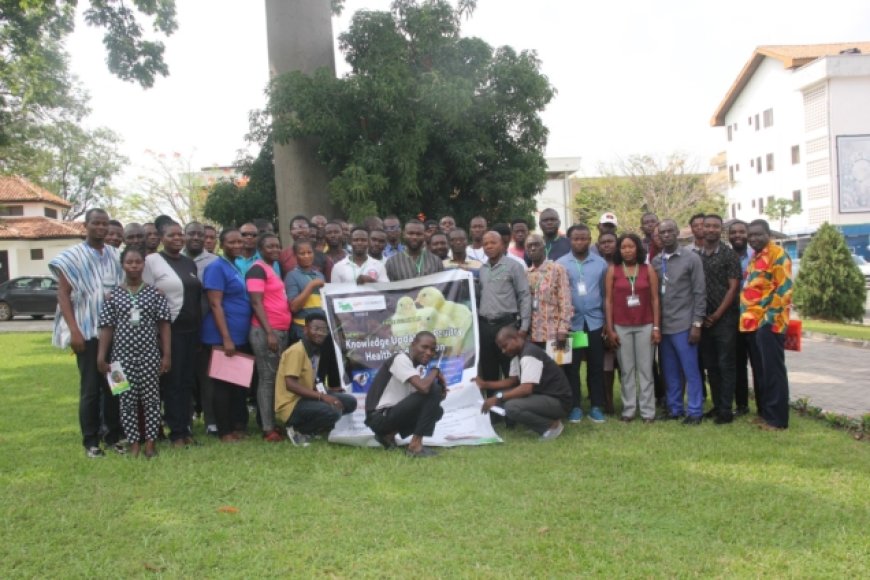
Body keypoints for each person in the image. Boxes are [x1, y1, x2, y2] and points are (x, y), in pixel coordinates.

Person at [50, 208, 125, 457]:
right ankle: (91, 441)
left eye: (105, 224)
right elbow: (63, 294)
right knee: (91, 389)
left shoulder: (116, 255)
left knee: (116, 386)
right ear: (86, 225)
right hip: (88, 332)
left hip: (114, 335)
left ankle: (114, 436)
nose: (101, 228)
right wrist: (74, 331)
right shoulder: (72, 256)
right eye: (96, 223)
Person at [97, 246, 171, 458]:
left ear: (143, 264)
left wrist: (167, 355)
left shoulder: (155, 293)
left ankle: (150, 441)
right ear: (123, 265)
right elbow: (107, 327)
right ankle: (133, 442)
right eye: (129, 262)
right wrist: (101, 356)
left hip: (149, 354)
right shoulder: (112, 296)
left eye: (138, 262)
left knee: (151, 399)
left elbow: (164, 324)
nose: (134, 266)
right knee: (125, 399)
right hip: (120, 357)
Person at [143, 221, 202, 447]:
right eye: (172, 235)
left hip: (191, 331)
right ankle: (175, 432)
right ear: (161, 238)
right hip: (169, 332)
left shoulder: (189, 263)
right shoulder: (153, 262)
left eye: (180, 235)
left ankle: (186, 429)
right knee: (173, 383)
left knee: (187, 382)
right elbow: (146, 296)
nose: (178, 238)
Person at [740, 219, 793, 431]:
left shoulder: (777, 255)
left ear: (768, 234)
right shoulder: (756, 257)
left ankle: (777, 420)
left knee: (773, 372)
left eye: (758, 234)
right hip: (752, 323)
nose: (753, 239)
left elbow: (784, 289)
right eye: (750, 235)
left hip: (769, 324)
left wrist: (768, 319)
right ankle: (766, 414)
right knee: (761, 372)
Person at [651, 219, 706, 424]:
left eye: (669, 231)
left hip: (685, 325)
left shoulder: (691, 259)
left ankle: (694, 410)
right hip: (664, 326)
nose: (665, 235)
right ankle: (675, 408)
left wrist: (697, 324)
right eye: (662, 232)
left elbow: (700, 293)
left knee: (690, 371)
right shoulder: (656, 261)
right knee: (670, 371)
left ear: (677, 233)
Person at [274, 312, 357, 447]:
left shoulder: (314, 351)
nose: (320, 333)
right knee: (333, 410)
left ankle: (315, 428)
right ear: (305, 330)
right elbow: (290, 384)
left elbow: (310, 382)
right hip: (291, 405)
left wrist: (328, 391)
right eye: (316, 329)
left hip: (305, 398)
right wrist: (323, 397)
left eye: (324, 330)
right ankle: (298, 430)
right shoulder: (296, 351)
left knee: (349, 402)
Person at [475, 326, 571, 440]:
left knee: (511, 407)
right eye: (501, 348)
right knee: (500, 394)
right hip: (543, 396)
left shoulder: (529, 354)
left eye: (505, 346)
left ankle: (551, 426)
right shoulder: (517, 355)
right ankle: (538, 423)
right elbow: (512, 381)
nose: (503, 351)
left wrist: (498, 398)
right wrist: (485, 385)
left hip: (558, 401)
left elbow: (526, 389)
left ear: (516, 338)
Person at [202, 229, 252, 442]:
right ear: (222, 245)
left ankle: (236, 425)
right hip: (221, 335)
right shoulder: (215, 267)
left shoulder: (236, 266)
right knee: (222, 384)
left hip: (239, 333)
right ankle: (224, 430)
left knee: (237, 383)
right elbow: (215, 303)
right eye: (231, 242)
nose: (237, 245)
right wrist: (226, 338)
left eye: (239, 241)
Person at [605, 233, 660, 423]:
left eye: (631, 246)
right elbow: (608, 301)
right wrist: (610, 329)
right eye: (623, 247)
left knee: (646, 369)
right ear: (619, 250)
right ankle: (628, 410)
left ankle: (647, 412)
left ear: (637, 248)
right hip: (621, 326)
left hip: (645, 325)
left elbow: (655, 299)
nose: (627, 250)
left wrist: (656, 327)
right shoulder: (614, 270)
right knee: (627, 370)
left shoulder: (648, 269)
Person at [364, 331, 446, 457]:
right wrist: (435, 371)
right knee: (431, 388)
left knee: (437, 410)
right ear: (413, 344)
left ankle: (388, 435)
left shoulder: (413, 369)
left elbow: (433, 400)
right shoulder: (400, 359)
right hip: (378, 418)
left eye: (432, 350)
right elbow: (424, 389)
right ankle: (415, 446)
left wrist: (442, 385)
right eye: (424, 347)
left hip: (387, 417)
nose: (429, 352)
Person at [556, 224, 608, 423]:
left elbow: (605, 295)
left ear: (589, 239)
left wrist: (606, 321)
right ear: (570, 240)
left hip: (594, 323)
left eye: (584, 238)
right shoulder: (560, 264)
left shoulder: (601, 263)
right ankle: (575, 406)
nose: (580, 242)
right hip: (571, 325)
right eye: (576, 238)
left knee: (596, 366)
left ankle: (596, 406)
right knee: (571, 367)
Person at [246, 233, 292, 442]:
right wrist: (269, 333)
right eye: (269, 246)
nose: (275, 249)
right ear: (260, 249)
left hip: (278, 330)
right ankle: (267, 428)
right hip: (266, 332)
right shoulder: (257, 270)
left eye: (277, 245)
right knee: (266, 379)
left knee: (273, 378)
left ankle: (271, 422)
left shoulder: (271, 269)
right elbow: (256, 303)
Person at [699, 214, 741, 424]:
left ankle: (726, 409)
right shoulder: (697, 255)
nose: (711, 230)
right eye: (708, 226)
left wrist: (717, 315)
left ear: (720, 230)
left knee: (726, 364)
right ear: (702, 229)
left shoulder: (729, 255)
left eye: (716, 226)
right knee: (711, 365)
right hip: (703, 319)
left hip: (724, 319)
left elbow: (733, 287)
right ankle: (717, 405)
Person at [477, 231, 531, 388]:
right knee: (489, 370)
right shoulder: (482, 269)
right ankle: (493, 410)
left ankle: (512, 408)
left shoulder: (514, 266)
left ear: (502, 244)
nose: (489, 246)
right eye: (485, 243)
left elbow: (524, 295)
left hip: (507, 325)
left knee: (510, 370)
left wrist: (524, 327)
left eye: (493, 242)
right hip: (485, 326)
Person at [729, 219, 759, 416]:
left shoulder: (756, 256)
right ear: (728, 236)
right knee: (737, 362)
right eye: (734, 232)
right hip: (733, 317)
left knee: (758, 363)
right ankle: (741, 405)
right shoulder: (726, 256)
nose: (738, 235)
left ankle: (763, 404)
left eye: (742, 231)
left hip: (756, 317)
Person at [524, 234, 572, 353]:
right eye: (529, 246)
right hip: (532, 334)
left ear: (544, 246)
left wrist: (563, 329)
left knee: (556, 370)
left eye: (536, 245)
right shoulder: (526, 274)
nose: (533, 248)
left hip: (553, 333)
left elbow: (565, 301)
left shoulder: (557, 269)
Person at [285, 240, 327, 342]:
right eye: (302, 253)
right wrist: (311, 285)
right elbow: (294, 307)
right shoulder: (292, 276)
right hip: (302, 328)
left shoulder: (319, 275)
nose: (306, 256)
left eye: (309, 252)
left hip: (321, 327)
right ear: (295, 256)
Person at [597, 231, 619, 413]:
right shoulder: (596, 265)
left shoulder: (623, 264)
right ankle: (608, 401)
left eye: (610, 241)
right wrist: (605, 321)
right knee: (607, 363)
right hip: (603, 320)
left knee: (625, 363)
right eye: (603, 242)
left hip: (625, 318)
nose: (607, 245)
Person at [278, 215, 333, 281]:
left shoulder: (323, 257)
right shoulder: (282, 256)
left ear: (310, 231)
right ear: (290, 233)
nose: (300, 231)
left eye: (304, 227)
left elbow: (329, 283)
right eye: (295, 228)